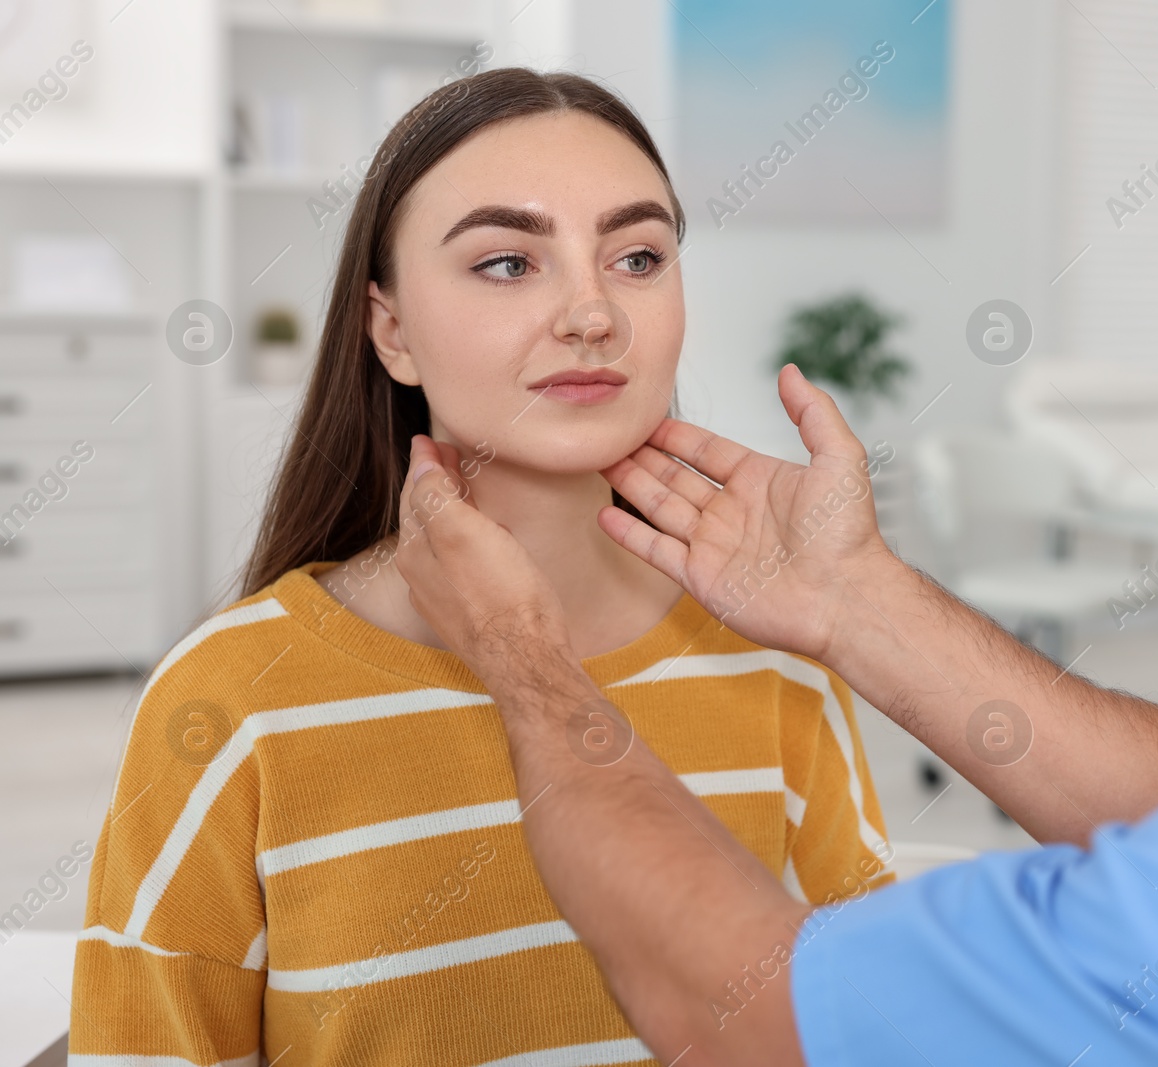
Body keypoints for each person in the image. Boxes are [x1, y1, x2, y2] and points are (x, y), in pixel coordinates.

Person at [391, 1, 1158, 1064]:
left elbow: (741, 1014)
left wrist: (524, 663)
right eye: (506, 261)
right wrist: (856, 597)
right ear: (390, 330)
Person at [69, 69, 892, 1066]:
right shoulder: (229, 702)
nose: (593, 313)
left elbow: (871, 1027)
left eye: (638, 255)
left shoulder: (778, 659)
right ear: (393, 331)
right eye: (508, 263)